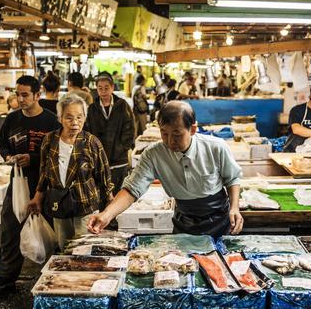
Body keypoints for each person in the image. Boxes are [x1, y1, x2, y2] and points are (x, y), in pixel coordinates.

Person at [88, 101, 243, 238]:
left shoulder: (216, 147)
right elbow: (132, 190)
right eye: (164, 133)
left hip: (219, 219)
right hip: (185, 221)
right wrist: (107, 214)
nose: (170, 141)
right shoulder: (153, 154)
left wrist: (235, 208)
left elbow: (232, 179)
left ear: (193, 129)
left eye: (177, 134)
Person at [0, 76, 60, 292]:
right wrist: (8, 157)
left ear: (37, 95)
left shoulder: (51, 122)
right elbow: (2, 145)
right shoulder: (11, 120)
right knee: (10, 227)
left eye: (25, 95)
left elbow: (58, 154)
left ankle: (51, 276)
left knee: (49, 229)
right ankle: (6, 277)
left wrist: (33, 159)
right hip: (18, 182)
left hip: (45, 183)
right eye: (17, 94)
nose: (20, 99)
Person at [27, 94, 114, 248]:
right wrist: (37, 197)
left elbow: (104, 176)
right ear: (60, 118)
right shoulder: (49, 140)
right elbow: (44, 173)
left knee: (85, 250)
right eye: (69, 118)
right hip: (59, 204)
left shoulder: (91, 143)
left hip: (85, 206)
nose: (75, 123)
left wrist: (110, 206)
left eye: (79, 117)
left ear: (85, 118)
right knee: (64, 249)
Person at [84, 72, 135, 194]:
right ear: (96, 89)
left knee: (119, 194)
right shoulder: (92, 109)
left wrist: (122, 147)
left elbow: (130, 129)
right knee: (101, 194)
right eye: (100, 88)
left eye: (106, 88)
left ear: (112, 88)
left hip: (119, 160)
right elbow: (87, 132)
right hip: (98, 160)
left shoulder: (122, 105)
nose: (103, 91)